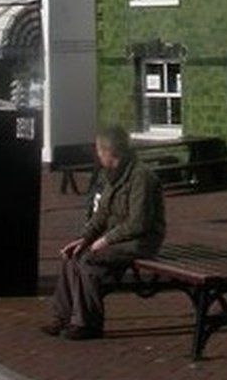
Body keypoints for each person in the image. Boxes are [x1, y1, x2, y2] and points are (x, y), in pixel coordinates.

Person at [41, 124, 165, 340]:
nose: (98, 155)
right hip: (116, 238)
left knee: (88, 261)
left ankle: (87, 323)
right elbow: (102, 214)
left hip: (140, 241)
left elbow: (138, 223)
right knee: (73, 257)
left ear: (110, 151)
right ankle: (62, 317)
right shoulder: (111, 176)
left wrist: (106, 240)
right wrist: (84, 238)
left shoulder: (141, 177)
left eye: (99, 150)